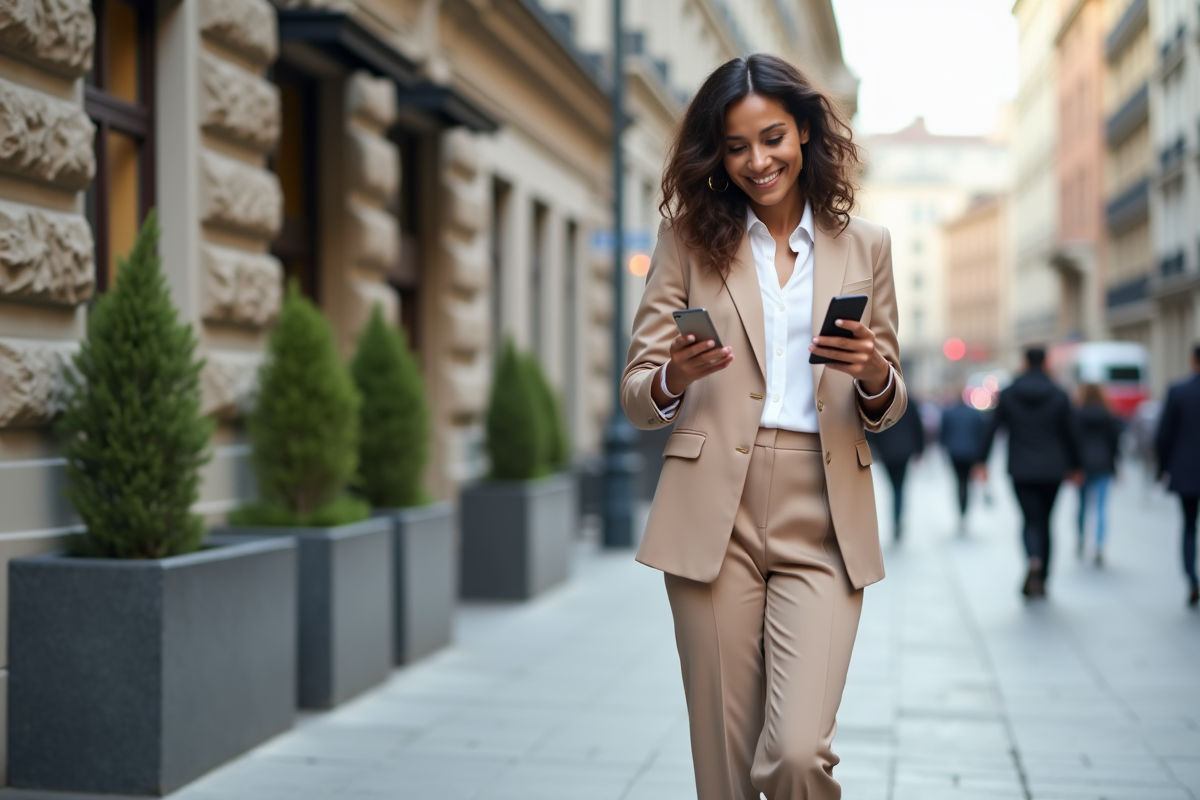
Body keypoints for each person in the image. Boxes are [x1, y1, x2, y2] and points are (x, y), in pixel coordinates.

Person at [621, 54, 905, 799]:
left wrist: (873, 370)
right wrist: (675, 376)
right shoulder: (687, 242)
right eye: (736, 145)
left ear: (806, 132)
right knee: (724, 768)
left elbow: (891, 397)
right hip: (714, 508)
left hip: (824, 511)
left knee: (796, 756)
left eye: (772, 137)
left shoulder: (864, 246)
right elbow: (635, 394)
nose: (757, 161)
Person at [977, 347, 1079, 599]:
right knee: (1046, 520)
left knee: (1030, 519)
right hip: (1053, 468)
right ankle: (1043, 576)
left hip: (1021, 467)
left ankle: (1033, 560)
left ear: (1024, 362)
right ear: (1045, 363)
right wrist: (1077, 465)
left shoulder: (1009, 393)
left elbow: (993, 428)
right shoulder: (1059, 393)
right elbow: (1072, 433)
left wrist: (982, 461)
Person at [1155, 343, 1200, 607]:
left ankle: (1191, 579)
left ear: (1192, 360)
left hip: (1186, 472)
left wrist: (1162, 469)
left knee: (1188, 526)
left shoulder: (1178, 391)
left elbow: (1164, 435)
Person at [1072, 383, 1122, 566]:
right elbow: (1115, 442)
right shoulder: (1108, 415)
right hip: (1103, 464)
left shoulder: (1077, 414)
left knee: (1082, 505)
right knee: (1101, 506)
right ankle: (1099, 546)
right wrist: (1116, 465)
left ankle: (1081, 538)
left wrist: (1073, 466)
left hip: (1082, 465)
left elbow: (1072, 440)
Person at [868, 404, 924, 540]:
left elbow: (872, 428)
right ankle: (897, 521)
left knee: (893, 488)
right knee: (899, 488)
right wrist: (920, 449)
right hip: (904, 451)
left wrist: (874, 447)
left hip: (887, 451)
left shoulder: (882, 402)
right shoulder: (909, 403)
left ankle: (896, 520)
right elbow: (918, 427)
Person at [940, 387, 989, 530]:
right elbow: (981, 434)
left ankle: (961, 509)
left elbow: (943, 434)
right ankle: (964, 510)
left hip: (954, 453)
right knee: (966, 482)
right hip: (970, 453)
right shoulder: (974, 414)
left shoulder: (948, 413)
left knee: (959, 482)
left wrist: (944, 447)